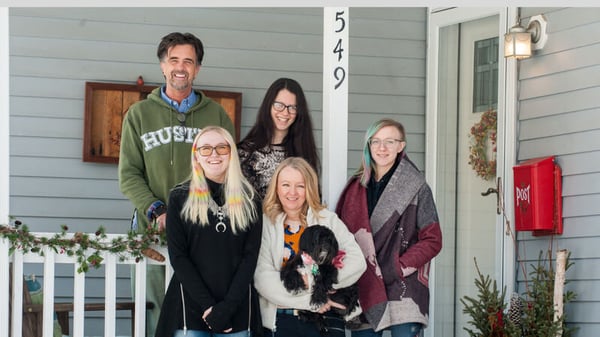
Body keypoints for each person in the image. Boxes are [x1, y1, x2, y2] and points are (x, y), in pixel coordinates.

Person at [118, 32, 235, 336]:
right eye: (174, 60)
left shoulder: (217, 115)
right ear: (162, 65)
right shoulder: (139, 114)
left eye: (188, 61)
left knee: (197, 314)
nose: (180, 67)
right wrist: (157, 210)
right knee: (153, 312)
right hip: (152, 230)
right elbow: (129, 174)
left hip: (205, 235)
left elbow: (229, 170)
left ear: (197, 68)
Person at [335, 118, 443, 337]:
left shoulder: (417, 186)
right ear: (368, 145)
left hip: (403, 288)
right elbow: (340, 235)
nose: (382, 148)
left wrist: (399, 266)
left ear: (401, 146)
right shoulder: (354, 187)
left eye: (389, 141)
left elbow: (432, 239)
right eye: (375, 142)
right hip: (364, 284)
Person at [155, 126, 262, 337]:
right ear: (197, 156)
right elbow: (178, 256)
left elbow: (249, 259)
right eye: (205, 149)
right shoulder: (179, 197)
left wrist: (227, 308)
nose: (214, 154)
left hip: (237, 307)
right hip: (190, 305)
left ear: (231, 153)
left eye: (221, 148)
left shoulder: (251, 200)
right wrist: (209, 307)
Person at [254, 157, 366, 337]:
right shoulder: (266, 223)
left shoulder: (326, 219)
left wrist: (317, 282)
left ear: (310, 188)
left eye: (300, 185)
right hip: (281, 320)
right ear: (276, 187)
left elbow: (358, 262)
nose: (292, 192)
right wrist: (313, 300)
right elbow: (262, 278)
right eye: (285, 185)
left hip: (326, 321)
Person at [238, 78, 320, 199]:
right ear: (268, 106)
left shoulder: (304, 151)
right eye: (279, 105)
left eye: (292, 107)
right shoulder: (244, 152)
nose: (285, 112)